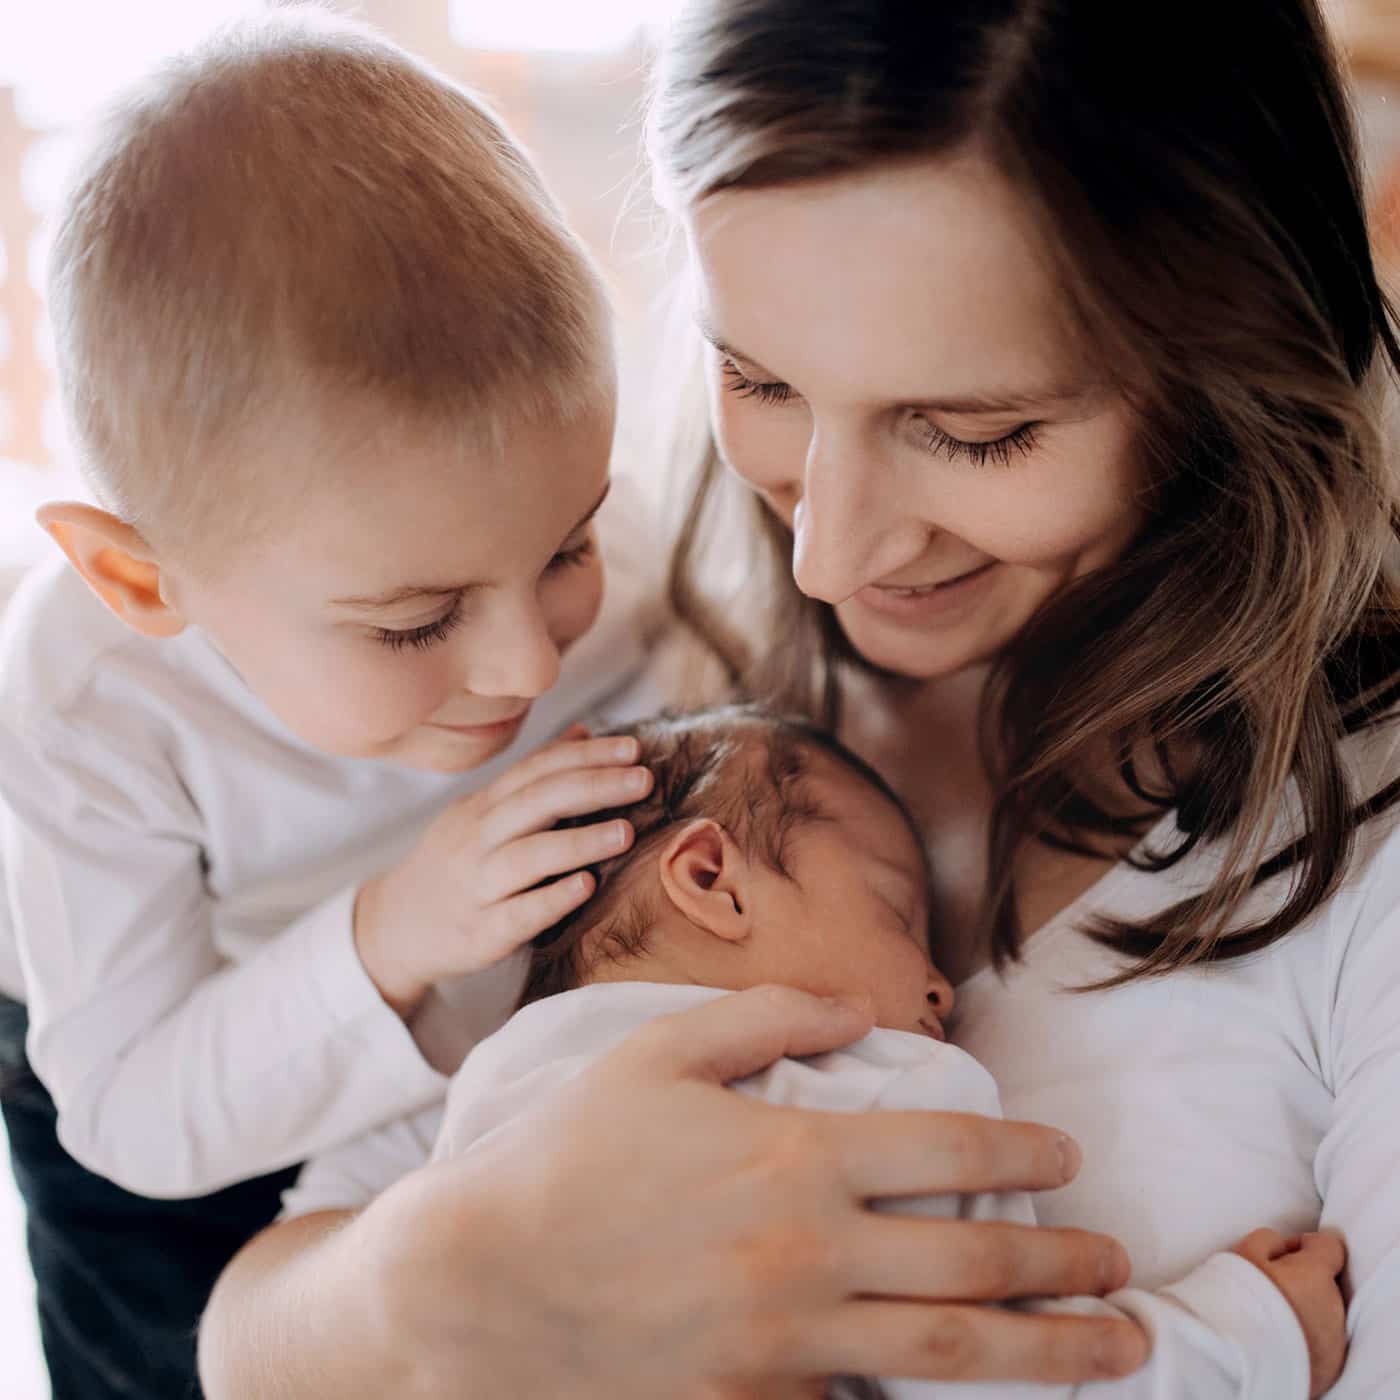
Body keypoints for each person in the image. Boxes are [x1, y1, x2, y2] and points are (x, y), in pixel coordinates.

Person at [199, 2, 1400, 1397]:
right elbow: (251, 1335)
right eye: (757, 378)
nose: (827, 554)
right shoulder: (627, 692)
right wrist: (441, 1280)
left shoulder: (1362, 850)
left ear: (1231, 368)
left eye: (976, 432)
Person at [0, 8, 664, 1396]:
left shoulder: (586, 525)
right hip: (146, 1035)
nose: (528, 665)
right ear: (140, 579)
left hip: (459, 997)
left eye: (568, 550)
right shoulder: (83, 713)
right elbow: (129, 1113)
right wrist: (391, 933)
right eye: (415, 622)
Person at [424, 705, 1346, 1400]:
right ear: (713, 882)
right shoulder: (851, 1085)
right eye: (895, 915)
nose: (941, 986)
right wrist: (1254, 1333)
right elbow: (1008, 1372)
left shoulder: (487, 1099)